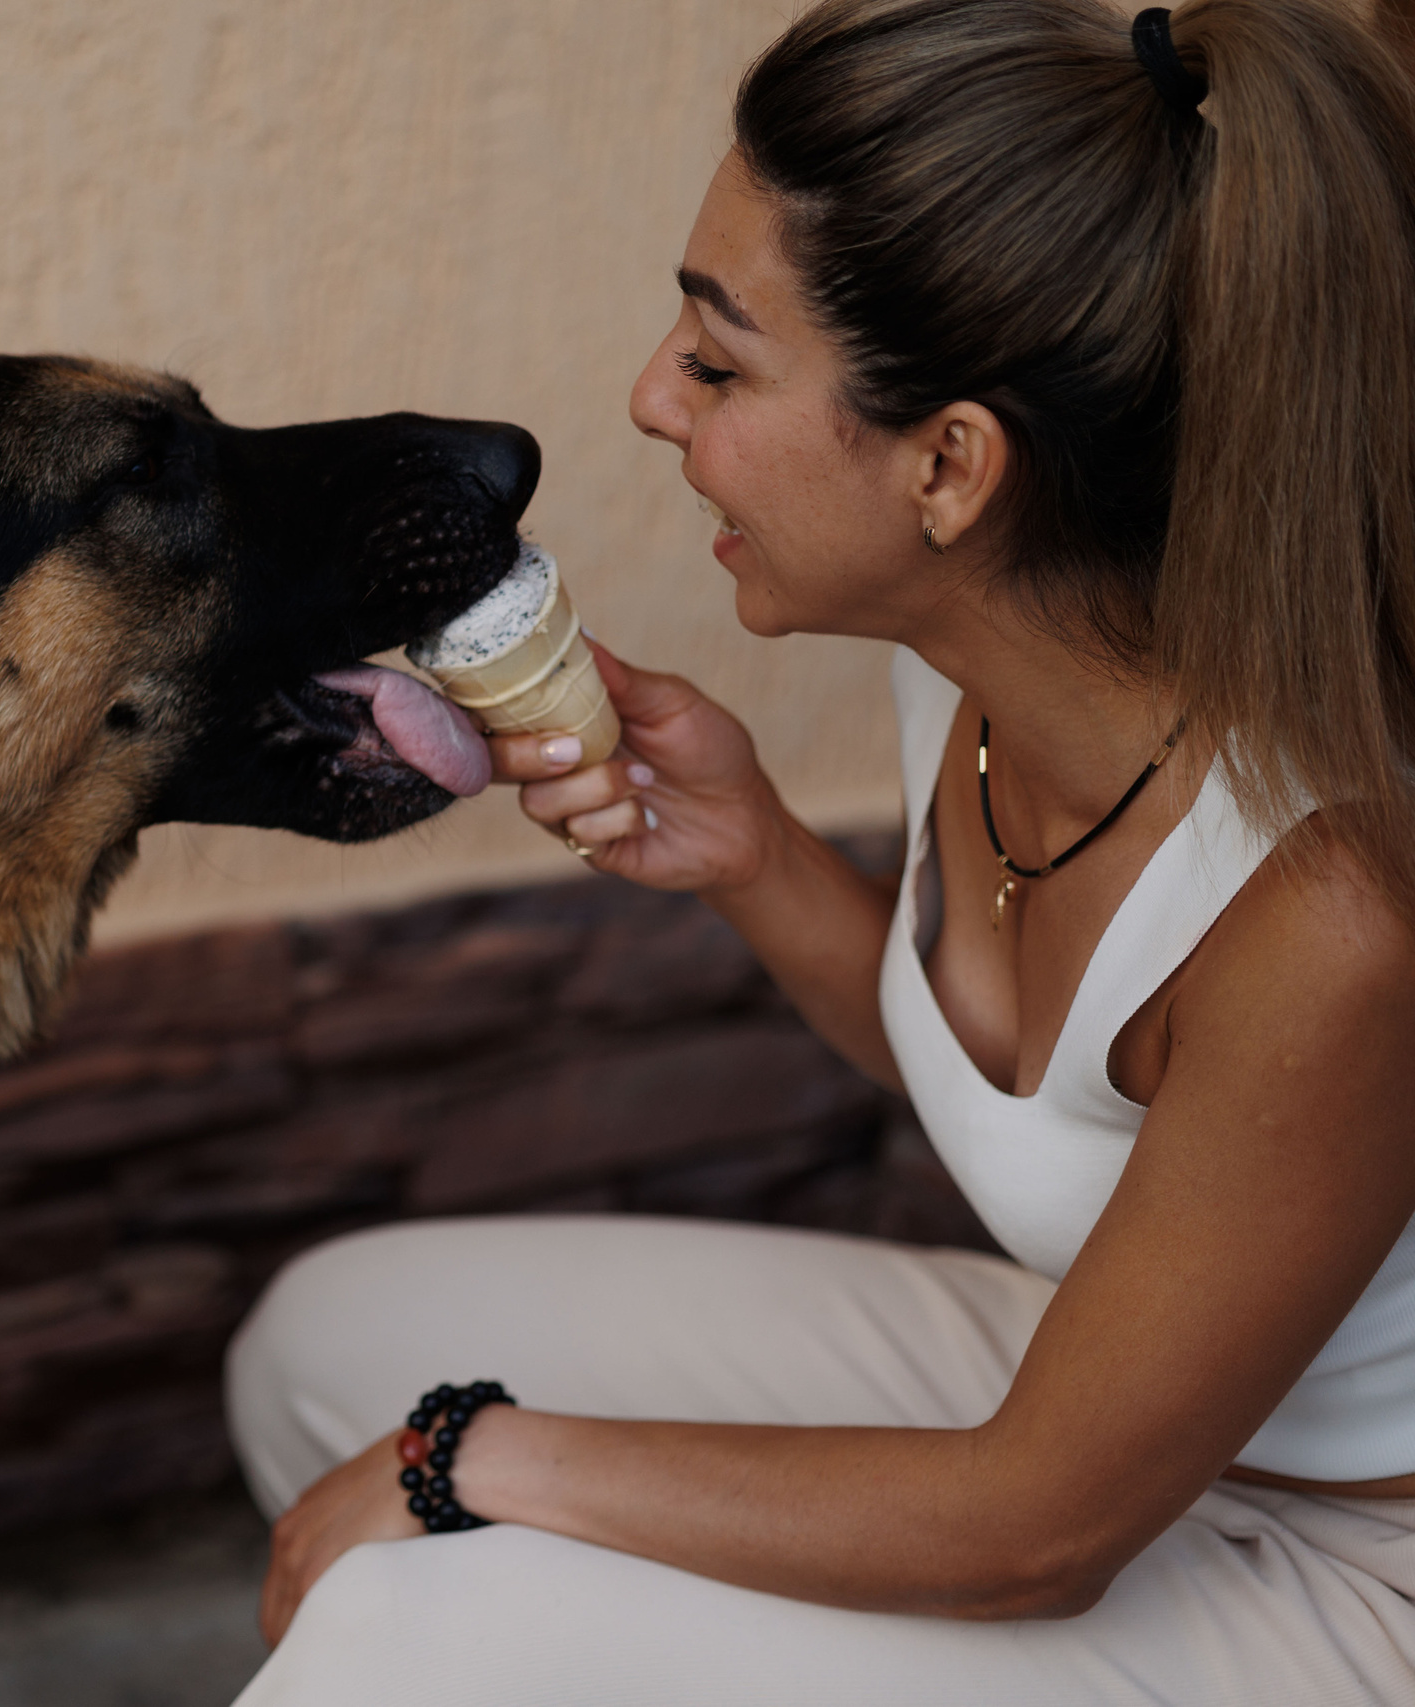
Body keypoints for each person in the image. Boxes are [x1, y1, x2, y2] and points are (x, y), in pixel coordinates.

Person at [224, 1, 1415, 1700]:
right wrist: (756, 850)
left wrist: (468, 1465)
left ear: (951, 468)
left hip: (1355, 1580)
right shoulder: (989, 667)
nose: (648, 400)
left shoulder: (1333, 905)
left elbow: (1034, 1532)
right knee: (324, 1354)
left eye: (717, 361)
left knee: (425, 1622)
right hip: (1129, 1427)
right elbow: (1029, 1105)